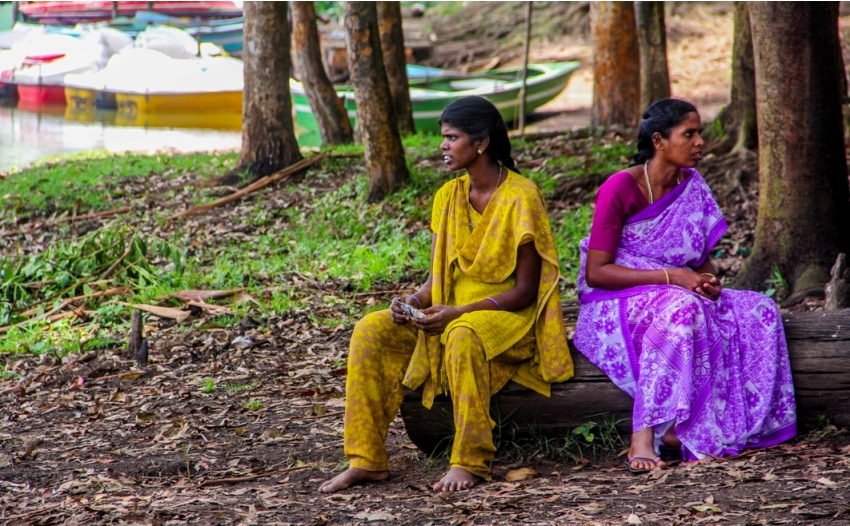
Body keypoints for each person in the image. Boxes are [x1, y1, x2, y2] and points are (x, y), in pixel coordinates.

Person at [320, 96, 574, 494]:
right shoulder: (448, 197)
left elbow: (526, 291)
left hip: (504, 317)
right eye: (443, 137)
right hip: (450, 310)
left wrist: (460, 312)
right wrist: (413, 304)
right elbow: (435, 281)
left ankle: (469, 458)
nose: (443, 146)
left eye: (452, 137)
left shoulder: (521, 197)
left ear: (481, 143)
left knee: (462, 335)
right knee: (371, 330)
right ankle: (367, 459)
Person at [573, 98, 797, 473]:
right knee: (682, 308)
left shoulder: (692, 186)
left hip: (676, 292)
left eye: (700, 133)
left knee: (759, 308)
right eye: (688, 134)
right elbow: (597, 272)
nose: (699, 142)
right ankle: (643, 435)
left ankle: (696, 425)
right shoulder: (620, 188)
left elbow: (700, 263)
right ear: (659, 141)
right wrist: (673, 277)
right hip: (617, 298)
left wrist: (707, 281)